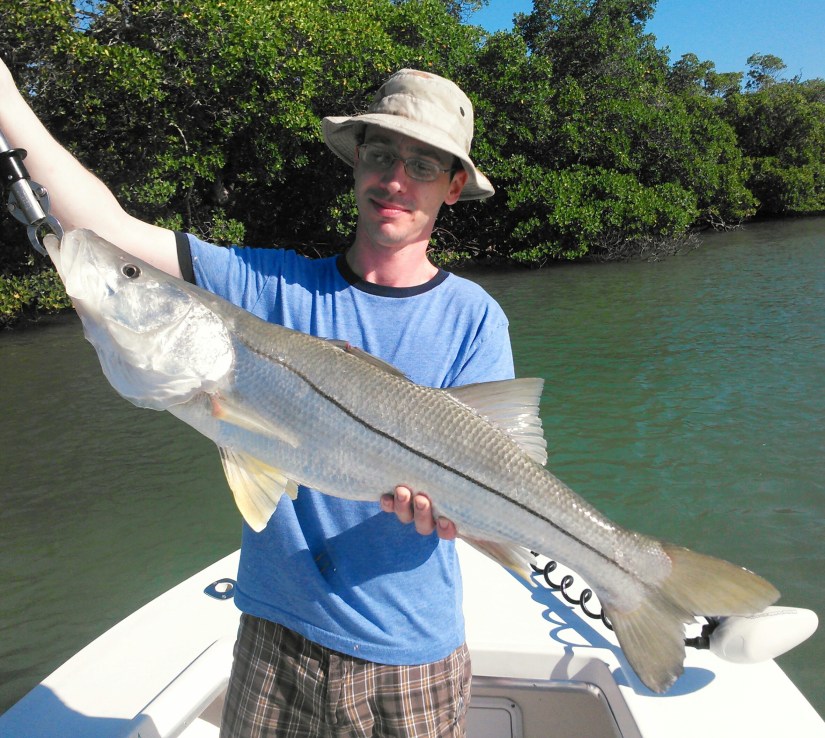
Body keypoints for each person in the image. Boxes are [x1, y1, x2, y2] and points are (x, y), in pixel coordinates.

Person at [0, 61, 514, 736]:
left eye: (422, 166)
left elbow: (501, 474)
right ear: (356, 163)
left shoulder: (474, 319)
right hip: (275, 639)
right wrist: (8, 101)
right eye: (381, 154)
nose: (394, 180)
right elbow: (107, 227)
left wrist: (458, 515)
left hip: (410, 656)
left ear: (452, 187)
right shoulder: (261, 286)